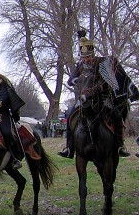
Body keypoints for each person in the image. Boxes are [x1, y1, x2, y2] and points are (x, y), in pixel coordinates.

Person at [57, 30, 139, 158]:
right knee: (70, 116)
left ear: (92, 54)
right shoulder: (80, 66)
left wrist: (102, 86)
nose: (86, 60)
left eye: (88, 57)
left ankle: (120, 146)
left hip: (103, 99)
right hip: (84, 99)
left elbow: (112, 82)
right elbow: (70, 80)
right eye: (83, 57)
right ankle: (69, 148)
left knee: (117, 116)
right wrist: (81, 80)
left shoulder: (102, 64)